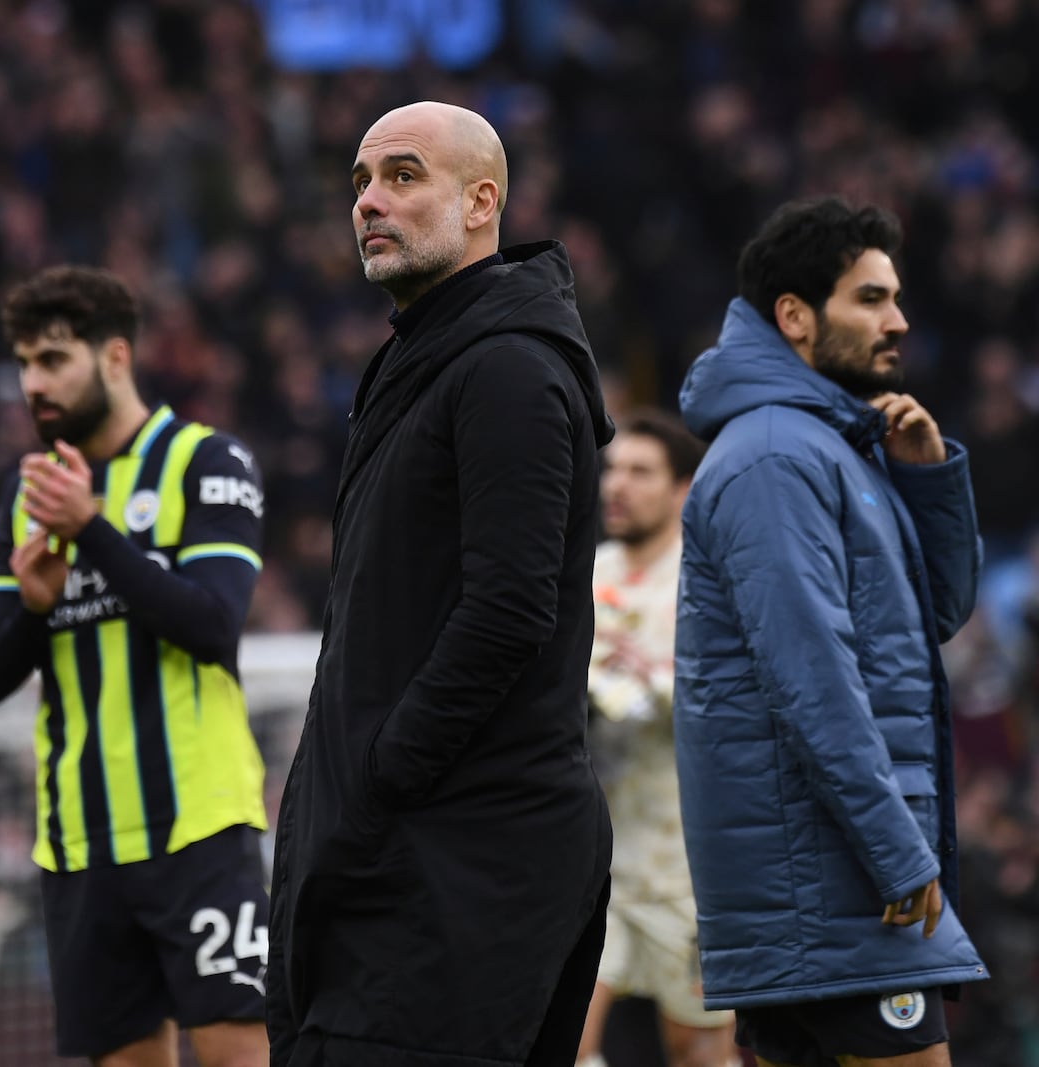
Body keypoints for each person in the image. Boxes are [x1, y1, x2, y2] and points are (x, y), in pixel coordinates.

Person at [267, 100, 615, 1067]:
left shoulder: (507, 369)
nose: (370, 202)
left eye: (404, 176)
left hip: (461, 866)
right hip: (410, 859)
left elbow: (508, 609)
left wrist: (384, 774)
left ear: (481, 202)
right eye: (362, 183)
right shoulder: (425, 360)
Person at [673, 197, 988, 1067]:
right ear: (795, 317)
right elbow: (810, 677)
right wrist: (897, 852)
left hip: (821, 884)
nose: (900, 320)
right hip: (834, 886)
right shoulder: (777, 457)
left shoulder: (826, 448)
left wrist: (926, 485)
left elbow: (933, 623)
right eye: (871, 299)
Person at [0, 264, 270, 1067]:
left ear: (116, 358)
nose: (34, 383)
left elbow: (213, 626)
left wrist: (95, 532)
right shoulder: (28, 495)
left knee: (241, 1051)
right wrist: (33, 606)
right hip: (79, 842)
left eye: (54, 359)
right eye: (24, 363)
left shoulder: (209, 462)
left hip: (198, 825)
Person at [575, 410, 736, 1067]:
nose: (618, 484)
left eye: (640, 471)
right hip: (595, 864)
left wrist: (645, 678)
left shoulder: (713, 582)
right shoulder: (583, 574)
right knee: (561, 1042)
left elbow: (729, 701)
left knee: (697, 1053)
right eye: (613, 469)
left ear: (682, 489)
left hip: (689, 868)